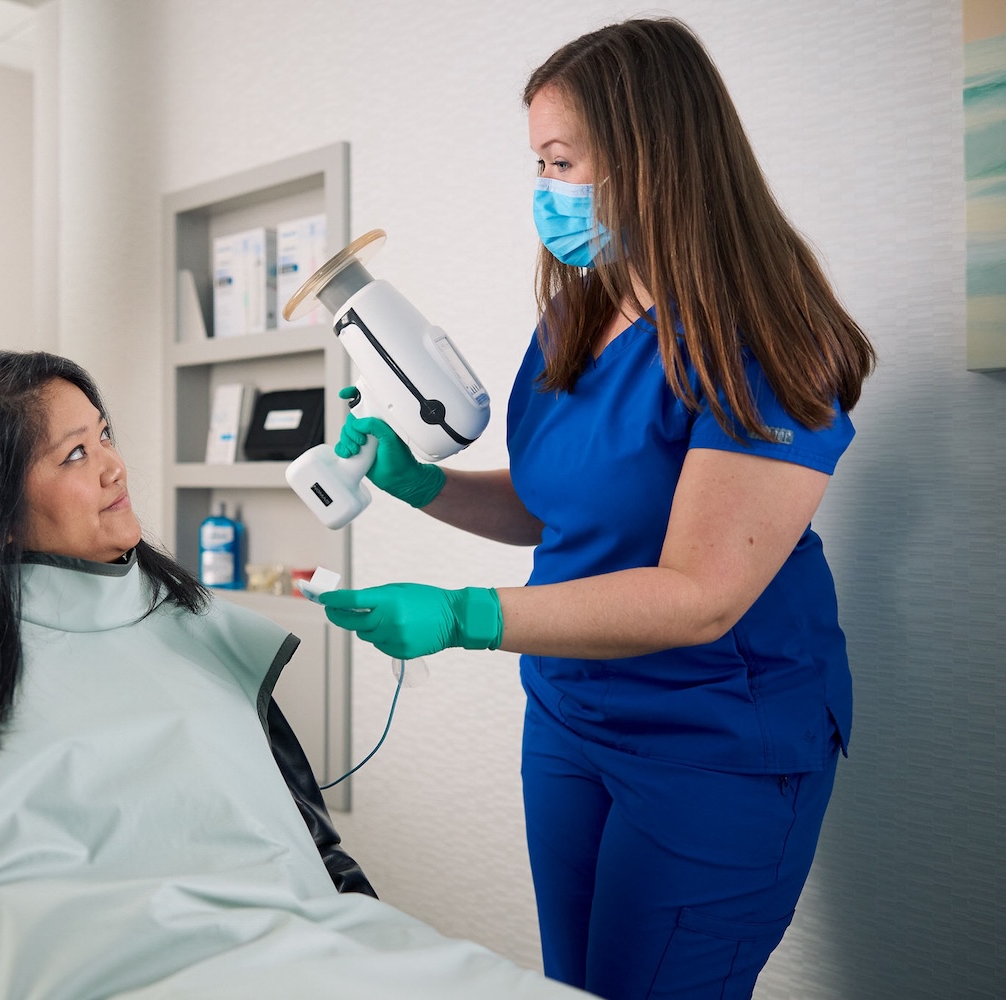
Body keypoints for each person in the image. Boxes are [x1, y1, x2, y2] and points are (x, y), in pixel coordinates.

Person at [318, 18, 876, 1000]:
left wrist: (463, 615)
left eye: (562, 161)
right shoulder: (578, 314)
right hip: (571, 719)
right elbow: (560, 513)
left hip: (715, 743)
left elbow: (700, 593)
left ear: (652, 155)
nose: (545, 189)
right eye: (538, 162)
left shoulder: (764, 338)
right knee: (573, 986)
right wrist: (423, 483)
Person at [0, 349, 591, 999]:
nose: (114, 467)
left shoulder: (201, 630)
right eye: (76, 453)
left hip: (309, 954)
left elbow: (323, 865)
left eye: (104, 434)